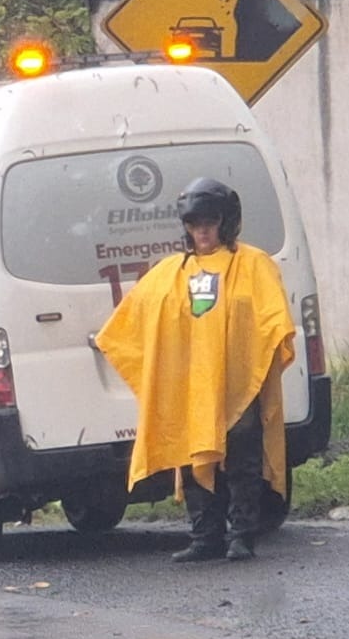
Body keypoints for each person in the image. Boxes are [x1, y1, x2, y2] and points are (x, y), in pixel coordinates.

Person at [96, 177, 296, 562]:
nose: (201, 230)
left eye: (209, 221)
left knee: (242, 458)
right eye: (193, 223)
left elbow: (273, 319)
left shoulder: (253, 264)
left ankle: (242, 535)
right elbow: (133, 321)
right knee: (192, 457)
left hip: (239, 383)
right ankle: (205, 536)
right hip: (193, 387)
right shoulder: (170, 272)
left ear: (226, 221)